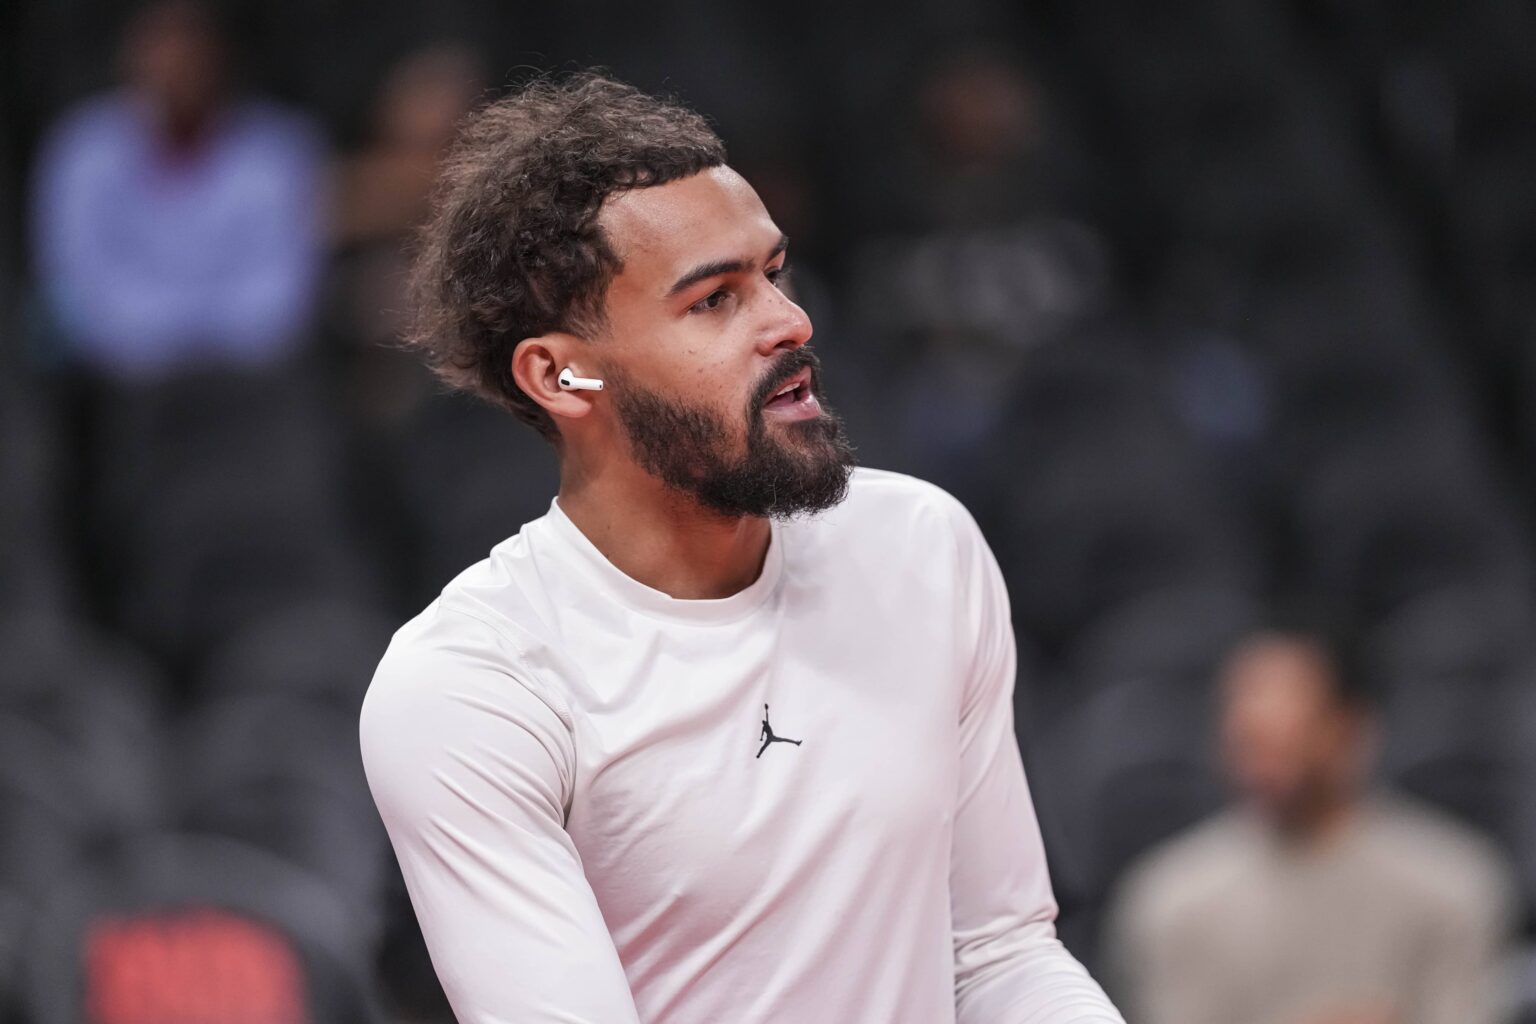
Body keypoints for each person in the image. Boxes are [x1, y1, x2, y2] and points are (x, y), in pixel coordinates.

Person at [357, 72, 1124, 1024]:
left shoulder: (923, 547)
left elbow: (998, 956)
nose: (790, 322)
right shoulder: (474, 684)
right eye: (716, 300)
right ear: (562, 375)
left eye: (773, 271)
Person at [1103, 616, 1518, 1024]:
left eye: (1284, 731)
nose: (1263, 757)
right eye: (1250, 737)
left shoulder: (1451, 886)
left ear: (1352, 727)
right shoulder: (1171, 901)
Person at [30, 0, 324, 380]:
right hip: (114, 384)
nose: (176, 73)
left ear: (220, 61)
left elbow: (283, 298)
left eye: (190, 59)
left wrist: (200, 342)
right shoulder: (82, 151)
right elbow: (79, 292)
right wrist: (179, 337)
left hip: (248, 382)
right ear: (130, 60)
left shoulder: (278, 152)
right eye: (161, 57)